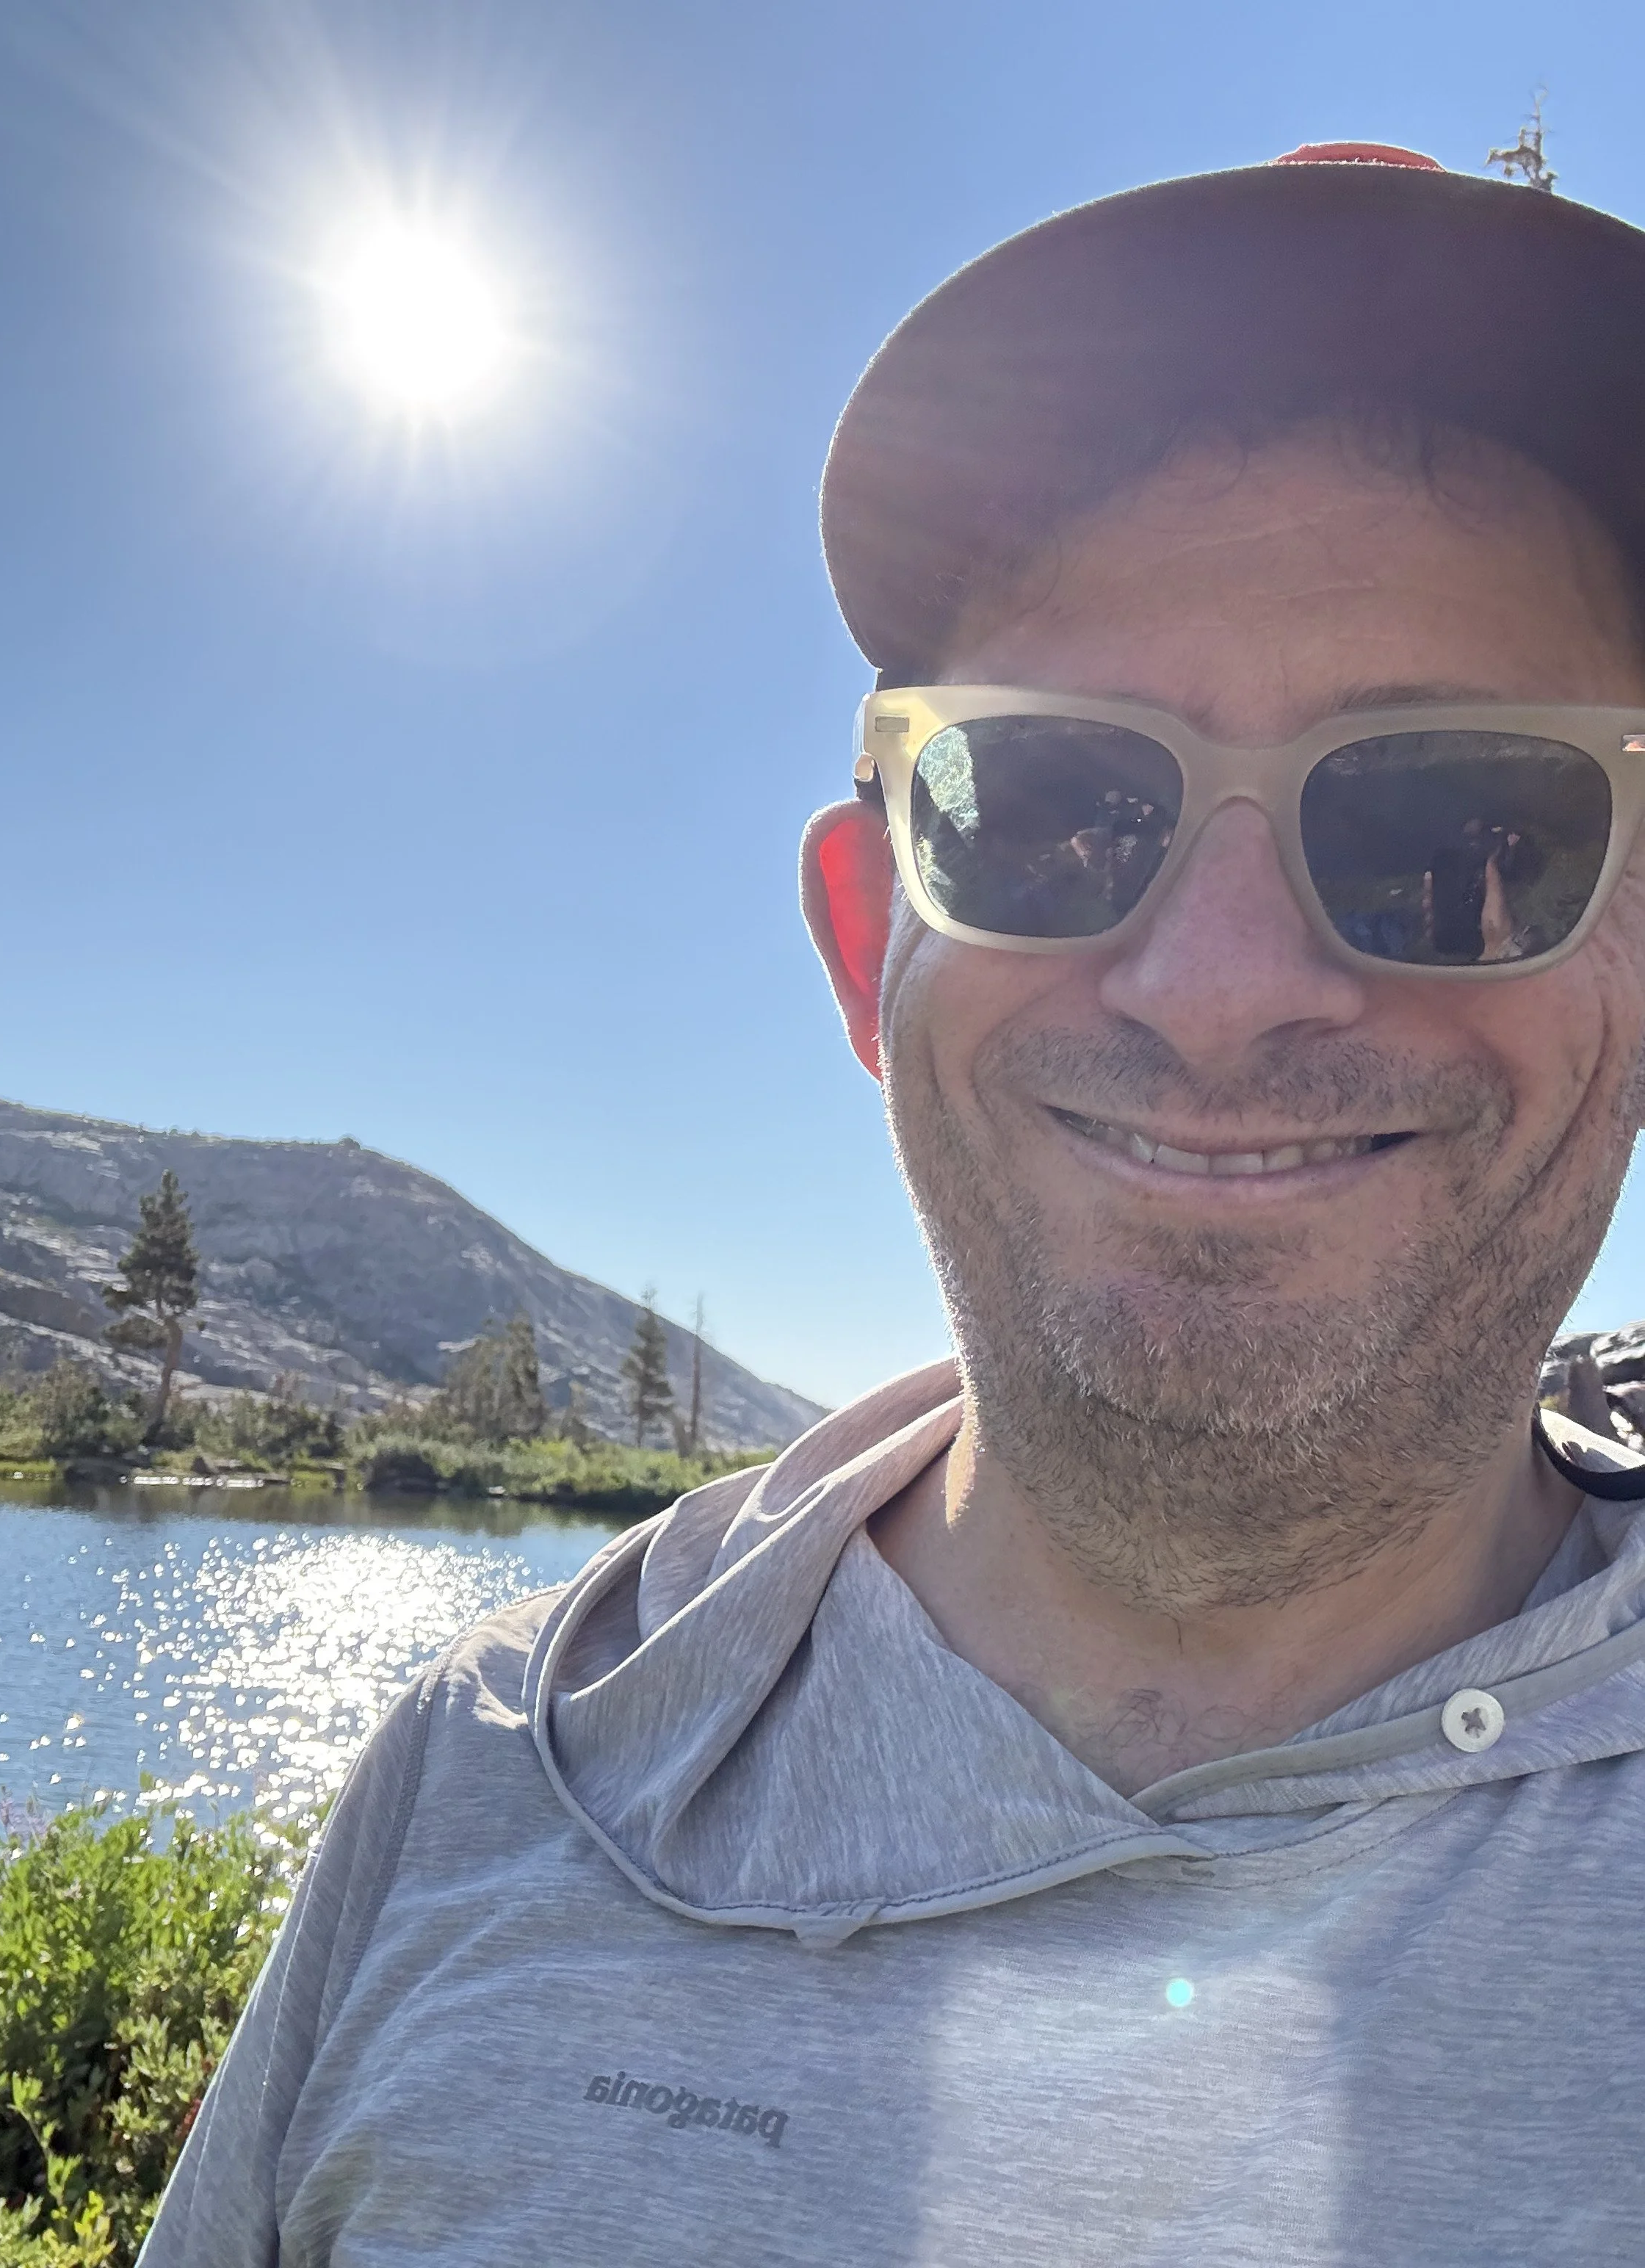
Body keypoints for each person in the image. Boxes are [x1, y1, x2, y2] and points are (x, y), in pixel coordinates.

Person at [140, 145, 1645, 2267]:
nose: (1217, 989)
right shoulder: (471, 1789)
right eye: (1045, 810)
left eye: (1459, 825)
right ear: (869, 948)